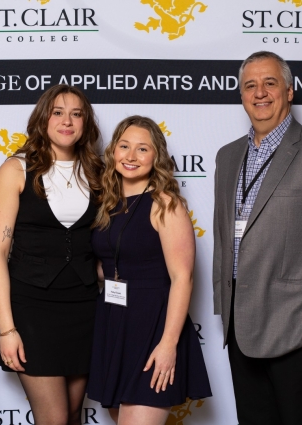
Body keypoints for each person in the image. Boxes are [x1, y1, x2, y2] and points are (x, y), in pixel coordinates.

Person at [0, 84, 104, 425]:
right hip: (32, 310)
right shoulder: (16, 169)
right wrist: (7, 329)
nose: (67, 121)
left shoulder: (98, 172)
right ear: (43, 119)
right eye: (58, 113)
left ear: (85, 122)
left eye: (76, 114)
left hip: (84, 308)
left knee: (73, 416)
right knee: (53, 418)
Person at [87, 115, 211, 425]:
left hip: (154, 325)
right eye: (124, 146)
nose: (131, 156)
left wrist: (168, 345)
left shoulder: (165, 204)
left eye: (142, 149)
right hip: (114, 323)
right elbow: (109, 265)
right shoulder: (108, 204)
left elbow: (183, 278)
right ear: (113, 151)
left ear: (156, 156)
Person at [213, 51, 302, 424]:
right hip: (240, 324)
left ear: (289, 91)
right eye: (250, 85)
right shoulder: (228, 156)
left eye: (269, 83)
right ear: (241, 95)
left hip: (293, 325)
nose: (260, 93)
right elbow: (223, 237)